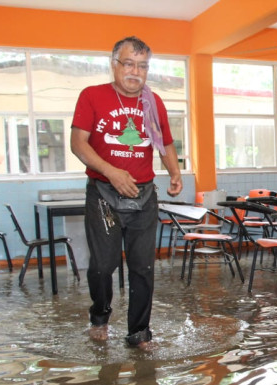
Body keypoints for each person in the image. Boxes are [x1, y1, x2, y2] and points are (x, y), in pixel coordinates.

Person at [71, 36, 182, 348]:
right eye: (129, 63)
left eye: (143, 66)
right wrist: (111, 171)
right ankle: (100, 314)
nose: (135, 71)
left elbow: (165, 142)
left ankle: (139, 333)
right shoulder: (92, 96)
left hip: (144, 195)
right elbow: (78, 143)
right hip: (103, 193)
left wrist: (174, 172)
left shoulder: (153, 101)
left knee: (144, 267)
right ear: (114, 65)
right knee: (103, 266)